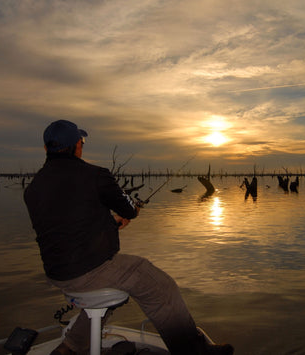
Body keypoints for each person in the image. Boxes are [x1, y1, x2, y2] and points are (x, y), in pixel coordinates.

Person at [24, 120, 233, 355]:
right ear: (76, 146)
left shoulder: (33, 188)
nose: (82, 146)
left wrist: (110, 224)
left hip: (57, 273)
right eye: (81, 142)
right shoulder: (95, 175)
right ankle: (195, 351)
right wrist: (131, 210)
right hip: (87, 271)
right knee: (158, 284)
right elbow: (129, 209)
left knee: (112, 290)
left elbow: (65, 228)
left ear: (46, 149)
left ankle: (71, 346)